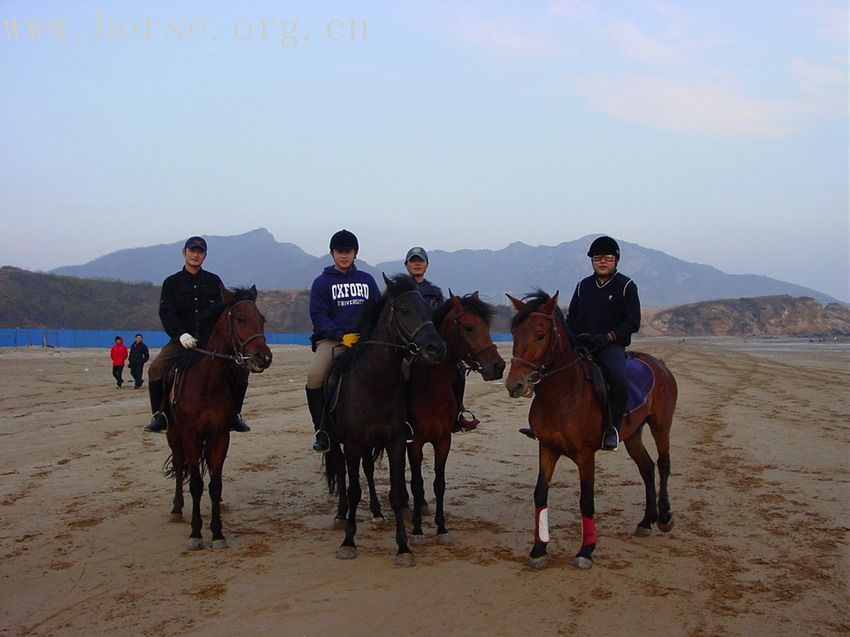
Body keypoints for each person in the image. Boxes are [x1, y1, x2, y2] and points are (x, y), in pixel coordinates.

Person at [143, 236, 251, 434]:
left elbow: (224, 311)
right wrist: (180, 334)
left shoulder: (213, 281)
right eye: (192, 251)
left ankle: (234, 414)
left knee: (241, 370)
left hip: (210, 342)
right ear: (184, 252)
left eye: (200, 252)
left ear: (205, 256)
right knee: (156, 369)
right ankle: (160, 415)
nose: (195, 255)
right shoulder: (171, 283)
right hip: (181, 341)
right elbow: (166, 312)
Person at [306, 229, 380, 453]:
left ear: (355, 253)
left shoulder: (367, 281)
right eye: (339, 251)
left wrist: (368, 336)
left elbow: (377, 310)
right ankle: (322, 430)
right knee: (314, 376)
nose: (344, 255)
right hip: (334, 342)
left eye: (348, 251)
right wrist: (340, 335)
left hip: (365, 342)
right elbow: (318, 316)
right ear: (332, 254)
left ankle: (400, 422)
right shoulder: (321, 283)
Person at [566, 235, 640, 451]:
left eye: (607, 257)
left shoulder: (626, 286)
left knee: (617, 378)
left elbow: (632, 322)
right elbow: (571, 316)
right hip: (582, 343)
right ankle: (544, 424)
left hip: (610, 346)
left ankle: (612, 428)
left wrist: (608, 337)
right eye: (597, 258)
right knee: (553, 370)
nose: (602, 261)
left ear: (616, 260)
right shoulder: (583, 286)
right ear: (592, 261)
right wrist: (571, 335)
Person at [403, 246, 479, 433]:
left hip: (430, 344)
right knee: (398, 372)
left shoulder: (434, 292)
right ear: (407, 265)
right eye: (413, 261)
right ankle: (400, 416)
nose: (417, 264)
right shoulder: (402, 290)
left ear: (427, 265)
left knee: (458, 369)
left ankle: (458, 412)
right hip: (407, 345)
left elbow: (442, 319)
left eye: (420, 261)